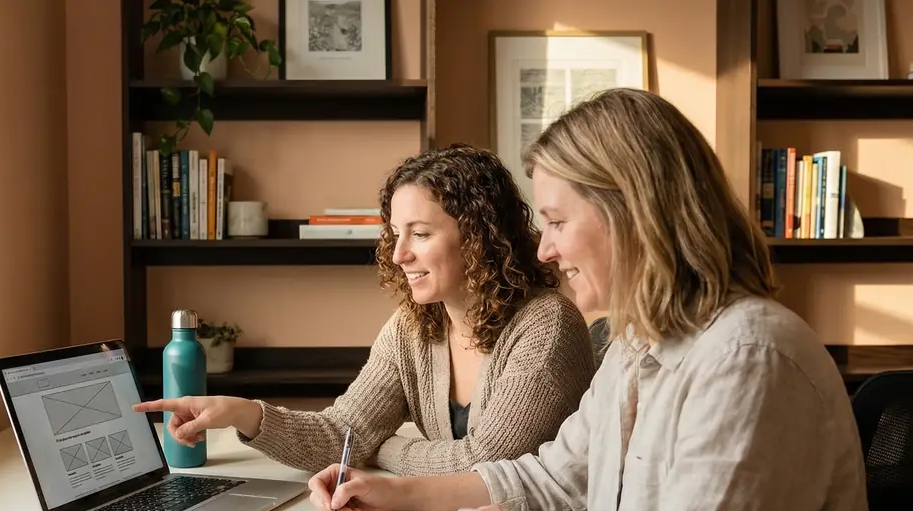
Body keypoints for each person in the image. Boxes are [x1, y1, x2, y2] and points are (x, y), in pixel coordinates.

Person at [307, 89, 894, 511]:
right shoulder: (636, 343)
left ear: (634, 214)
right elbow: (554, 477)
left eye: (558, 221)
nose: (543, 250)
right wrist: (396, 493)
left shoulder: (750, 359)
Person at [133, 144, 598, 476]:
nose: (398, 255)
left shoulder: (546, 325)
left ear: (480, 236)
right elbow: (343, 435)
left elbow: (487, 468)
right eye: (396, 234)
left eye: (420, 233)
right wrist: (244, 413)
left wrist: (386, 450)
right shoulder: (413, 328)